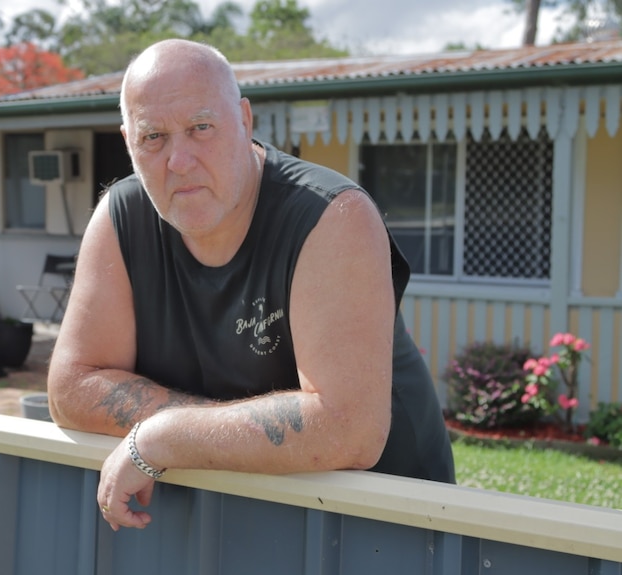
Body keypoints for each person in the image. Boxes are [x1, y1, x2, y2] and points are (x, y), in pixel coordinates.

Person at [46, 38, 455, 531]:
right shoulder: (121, 218)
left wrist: (165, 436)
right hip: (240, 518)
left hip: (385, 523)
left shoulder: (330, 215)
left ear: (243, 120)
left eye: (201, 128)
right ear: (127, 140)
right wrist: (205, 431)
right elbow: (71, 388)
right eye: (153, 137)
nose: (179, 160)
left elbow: (349, 431)